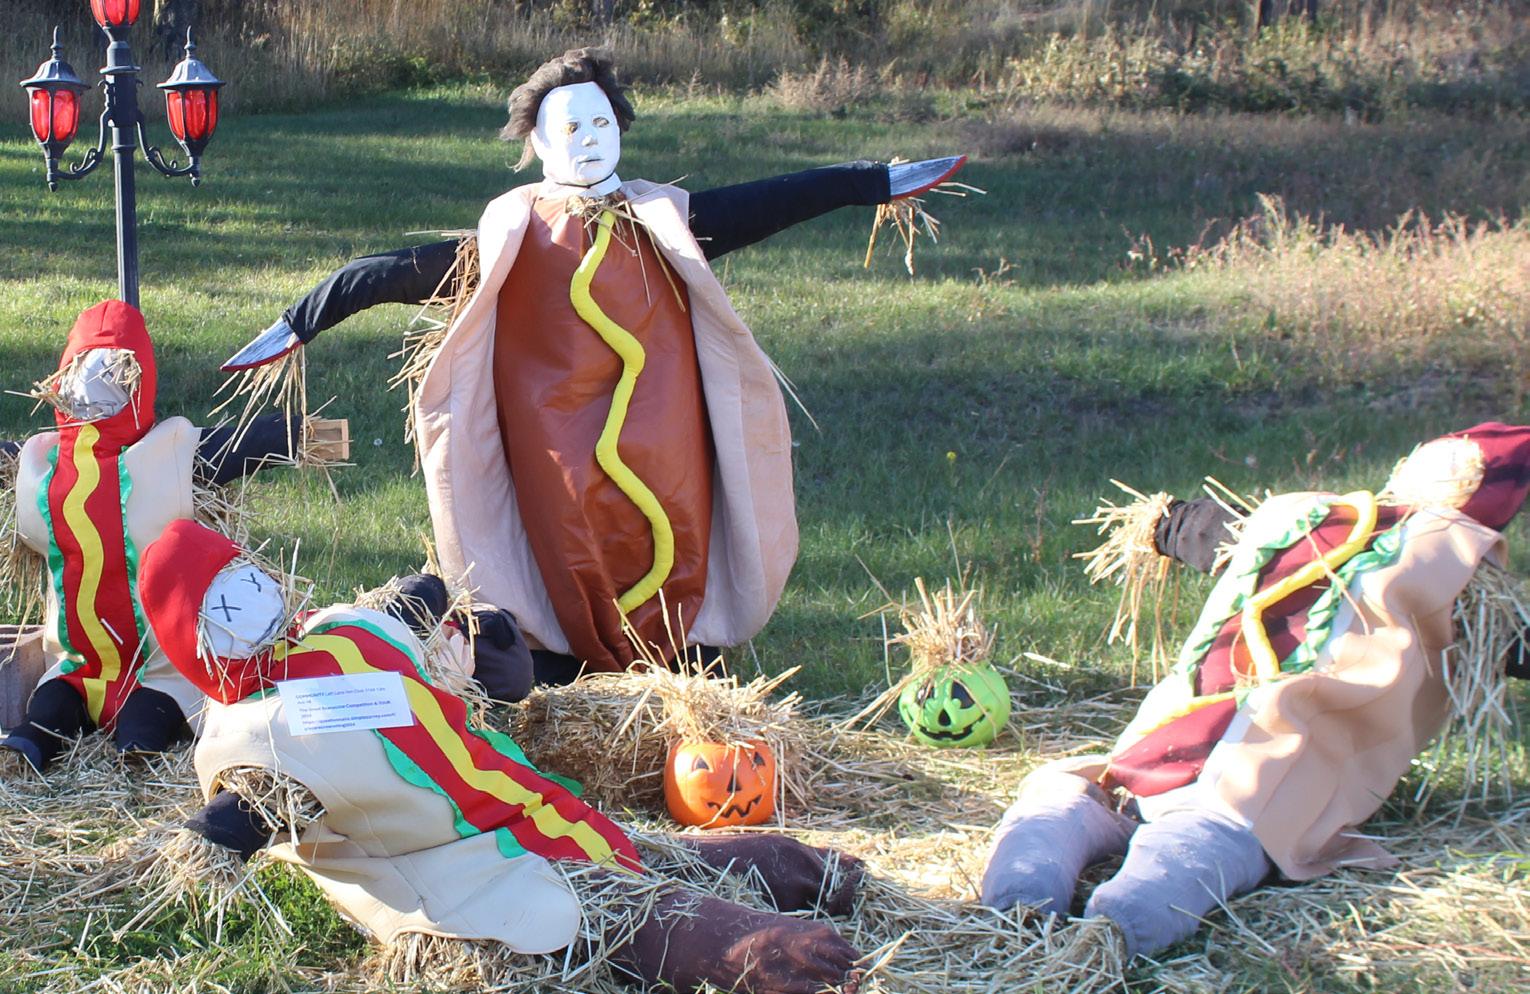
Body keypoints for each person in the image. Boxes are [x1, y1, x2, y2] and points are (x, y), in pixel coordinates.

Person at [220, 47, 968, 682]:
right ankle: (571, 651)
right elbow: (385, 273)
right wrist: (297, 324)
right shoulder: (516, 238)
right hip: (555, 433)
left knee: (671, 516)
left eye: (601, 124)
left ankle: (679, 649)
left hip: (663, 425)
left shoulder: (665, 223)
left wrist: (873, 182)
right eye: (570, 128)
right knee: (571, 531)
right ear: (539, 142)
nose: (588, 140)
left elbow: (778, 199)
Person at [138, 519, 864, 994]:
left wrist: (430, 600)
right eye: (224, 605)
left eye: (247, 579)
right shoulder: (257, 736)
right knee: (623, 911)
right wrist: (212, 840)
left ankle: (810, 874)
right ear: (195, 637)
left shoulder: (334, 632)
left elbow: (402, 610)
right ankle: (775, 956)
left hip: (528, 807)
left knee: (647, 855)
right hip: (465, 868)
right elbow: (249, 811)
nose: (253, 600)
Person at [981, 422, 1530, 958]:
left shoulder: (1301, 515)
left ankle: (1021, 896)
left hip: (1162, 744)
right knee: (1204, 838)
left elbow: (1201, 529)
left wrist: (1163, 523)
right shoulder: (1464, 578)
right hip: (1270, 771)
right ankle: (1117, 927)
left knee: (1073, 799)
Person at [0, 300, 314, 773]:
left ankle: (135, 737)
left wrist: (297, 435)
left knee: (150, 708)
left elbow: (243, 443)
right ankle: (44, 734)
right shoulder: (47, 462)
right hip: (77, 659)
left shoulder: (160, 454)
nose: (95, 391)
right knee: (55, 701)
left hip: (160, 663)